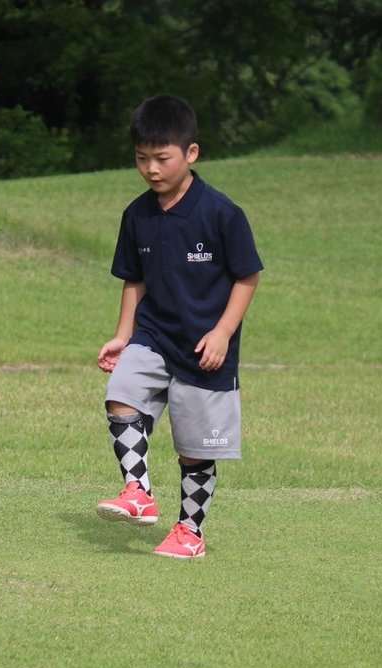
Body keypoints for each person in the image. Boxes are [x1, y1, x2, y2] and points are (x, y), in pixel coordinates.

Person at [95, 94, 263, 559]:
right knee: (121, 393)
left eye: (162, 158)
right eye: (141, 158)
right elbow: (134, 279)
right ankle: (137, 491)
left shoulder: (222, 213)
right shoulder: (137, 215)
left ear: (191, 153)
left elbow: (247, 276)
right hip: (153, 335)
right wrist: (123, 335)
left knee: (194, 450)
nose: (151, 169)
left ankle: (190, 532)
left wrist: (223, 332)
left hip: (205, 348)